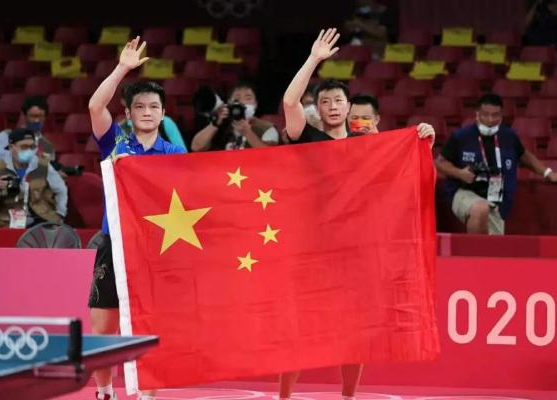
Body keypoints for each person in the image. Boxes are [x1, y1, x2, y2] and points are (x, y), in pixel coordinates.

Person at [279, 27, 434, 400]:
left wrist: (423, 142)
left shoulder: (368, 145)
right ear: (318, 109)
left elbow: (399, 176)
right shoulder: (306, 137)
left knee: (354, 331)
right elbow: (289, 101)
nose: (333, 106)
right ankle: (284, 397)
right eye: (326, 101)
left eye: (339, 101)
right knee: (299, 331)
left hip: (355, 251)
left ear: (349, 107)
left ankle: (348, 396)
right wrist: (314, 59)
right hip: (310, 247)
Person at [87, 36, 186, 400]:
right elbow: (95, 106)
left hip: (156, 249)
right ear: (128, 114)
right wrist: (122, 68)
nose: (147, 112)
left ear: (163, 113)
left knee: (150, 327)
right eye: (139, 107)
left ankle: (148, 393)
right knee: (104, 328)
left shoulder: (175, 153)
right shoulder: (115, 144)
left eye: (154, 107)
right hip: (114, 245)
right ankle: (104, 392)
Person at [435, 93, 557, 235]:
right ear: (477, 114)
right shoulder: (461, 136)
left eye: (495, 115)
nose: (490, 120)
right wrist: (460, 173)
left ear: (501, 115)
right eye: (485, 115)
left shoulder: (509, 136)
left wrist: (548, 173)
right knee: (480, 208)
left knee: (493, 244)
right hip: (464, 191)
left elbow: (524, 156)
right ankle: (472, 250)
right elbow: (439, 163)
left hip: (496, 197)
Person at [0, 128, 67, 228]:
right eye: (24, 147)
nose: (29, 151)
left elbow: (61, 189)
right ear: (11, 147)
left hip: (39, 222)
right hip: (6, 224)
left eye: (32, 147)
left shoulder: (43, 166)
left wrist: (60, 213)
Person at [190, 81, 279, 151]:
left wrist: (247, 133)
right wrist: (214, 124)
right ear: (229, 103)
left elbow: (270, 155)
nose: (242, 102)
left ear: (255, 104)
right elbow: (196, 147)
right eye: (237, 99)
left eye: (248, 98)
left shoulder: (266, 128)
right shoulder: (221, 126)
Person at [0, 96, 55, 167]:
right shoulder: (6, 136)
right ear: (25, 116)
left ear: (45, 117)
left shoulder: (47, 146)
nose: (36, 120)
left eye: (40, 116)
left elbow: (47, 169)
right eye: (33, 116)